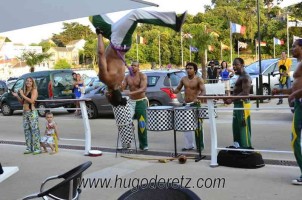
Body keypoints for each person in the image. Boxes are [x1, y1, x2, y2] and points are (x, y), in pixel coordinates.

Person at [90, 9, 187, 106]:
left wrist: (119, 99)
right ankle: (174, 22)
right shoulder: (105, 78)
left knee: (95, 17)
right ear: (109, 95)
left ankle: (91, 9)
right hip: (118, 41)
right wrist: (99, 35)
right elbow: (101, 53)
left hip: (117, 40)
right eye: (107, 97)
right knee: (135, 14)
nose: (105, 95)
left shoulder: (119, 82)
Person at [272, 39, 302, 185]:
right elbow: (294, 89)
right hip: (298, 104)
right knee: (295, 140)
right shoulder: (298, 64)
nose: (292, 49)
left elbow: (296, 91)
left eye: (294, 46)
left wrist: (295, 95)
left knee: (295, 139)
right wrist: (281, 91)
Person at [171, 62, 206, 151]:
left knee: (198, 125)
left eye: (190, 68)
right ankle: (189, 145)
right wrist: (174, 91)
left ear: (195, 70)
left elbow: (203, 91)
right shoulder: (183, 79)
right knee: (186, 126)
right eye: (187, 68)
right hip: (186, 104)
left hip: (196, 104)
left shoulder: (199, 79)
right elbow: (178, 89)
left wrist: (198, 98)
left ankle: (200, 146)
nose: (188, 70)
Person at [225, 58, 252, 148]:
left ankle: (246, 148)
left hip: (242, 104)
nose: (234, 67)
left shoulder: (245, 77)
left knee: (243, 127)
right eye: (233, 65)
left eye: (236, 64)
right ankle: (238, 146)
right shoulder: (240, 76)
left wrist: (231, 99)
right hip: (237, 104)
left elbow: (245, 93)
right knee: (236, 127)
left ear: (242, 64)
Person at [122, 61, 149, 151]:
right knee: (126, 122)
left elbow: (143, 88)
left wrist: (130, 92)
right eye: (131, 65)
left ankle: (143, 145)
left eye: (135, 66)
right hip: (131, 102)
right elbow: (122, 88)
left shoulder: (142, 76)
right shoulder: (127, 77)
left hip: (141, 101)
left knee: (141, 124)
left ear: (138, 67)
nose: (133, 67)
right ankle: (127, 144)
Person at [12, 77, 41, 155]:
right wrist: (17, 96)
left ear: (32, 83)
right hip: (25, 113)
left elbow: (32, 101)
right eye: (27, 81)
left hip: (32, 113)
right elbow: (22, 102)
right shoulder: (25, 91)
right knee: (27, 131)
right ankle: (29, 148)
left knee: (34, 131)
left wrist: (22, 94)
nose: (28, 82)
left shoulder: (34, 90)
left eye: (30, 81)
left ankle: (37, 148)